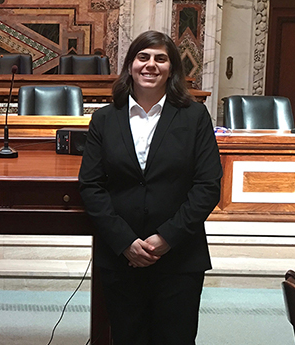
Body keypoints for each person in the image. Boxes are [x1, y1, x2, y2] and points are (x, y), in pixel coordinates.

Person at [78, 30, 222, 345]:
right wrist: (125, 240)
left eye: (161, 58)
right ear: (130, 64)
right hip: (121, 257)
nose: (151, 65)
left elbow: (208, 185)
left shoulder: (194, 116)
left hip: (179, 256)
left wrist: (166, 238)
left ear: (172, 68)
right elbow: (91, 185)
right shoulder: (104, 119)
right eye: (143, 57)